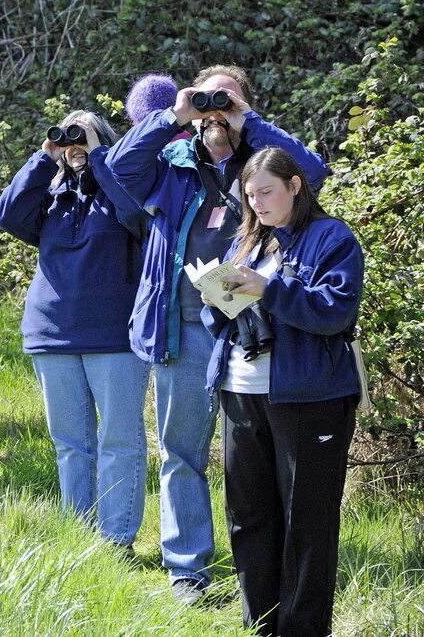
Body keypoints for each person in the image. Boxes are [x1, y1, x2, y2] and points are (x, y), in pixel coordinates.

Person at [105, 64, 328, 604]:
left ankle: (265, 568)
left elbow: (313, 174)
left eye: (226, 103)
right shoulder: (173, 163)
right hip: (184, 328)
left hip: (254, 334)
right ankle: (187, 569)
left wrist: (247, 121)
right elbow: (117, 170)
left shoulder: (265, 164)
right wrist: (171, 116)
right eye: (208, 104)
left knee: (253, 459)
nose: (215, 113)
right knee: (181, 452)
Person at [202, 146, 363, 635]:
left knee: (307, 524)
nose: (259, 205)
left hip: (310, 397)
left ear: (295, 185)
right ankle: (261, 625)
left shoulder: (332, 237)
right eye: (251, 197)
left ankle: (304, 629)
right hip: (240, 390)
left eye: (267, 192)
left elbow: (335, 311)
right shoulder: (250, 242)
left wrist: (267, 289)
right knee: (249, 515)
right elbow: (222, 320)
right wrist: (217, 295)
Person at [0, 111, 149, 552]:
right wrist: (45, 159)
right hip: (52, 332)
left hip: (114, 334)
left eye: (84, 135)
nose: (74, 144)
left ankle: (116, 540)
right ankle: (80, 538)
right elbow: (6, 215)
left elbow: (137, 217)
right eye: (67, 136)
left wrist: (102, 158)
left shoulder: (123, 189)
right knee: (70, 443)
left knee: (119, 439)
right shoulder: (52, 195)